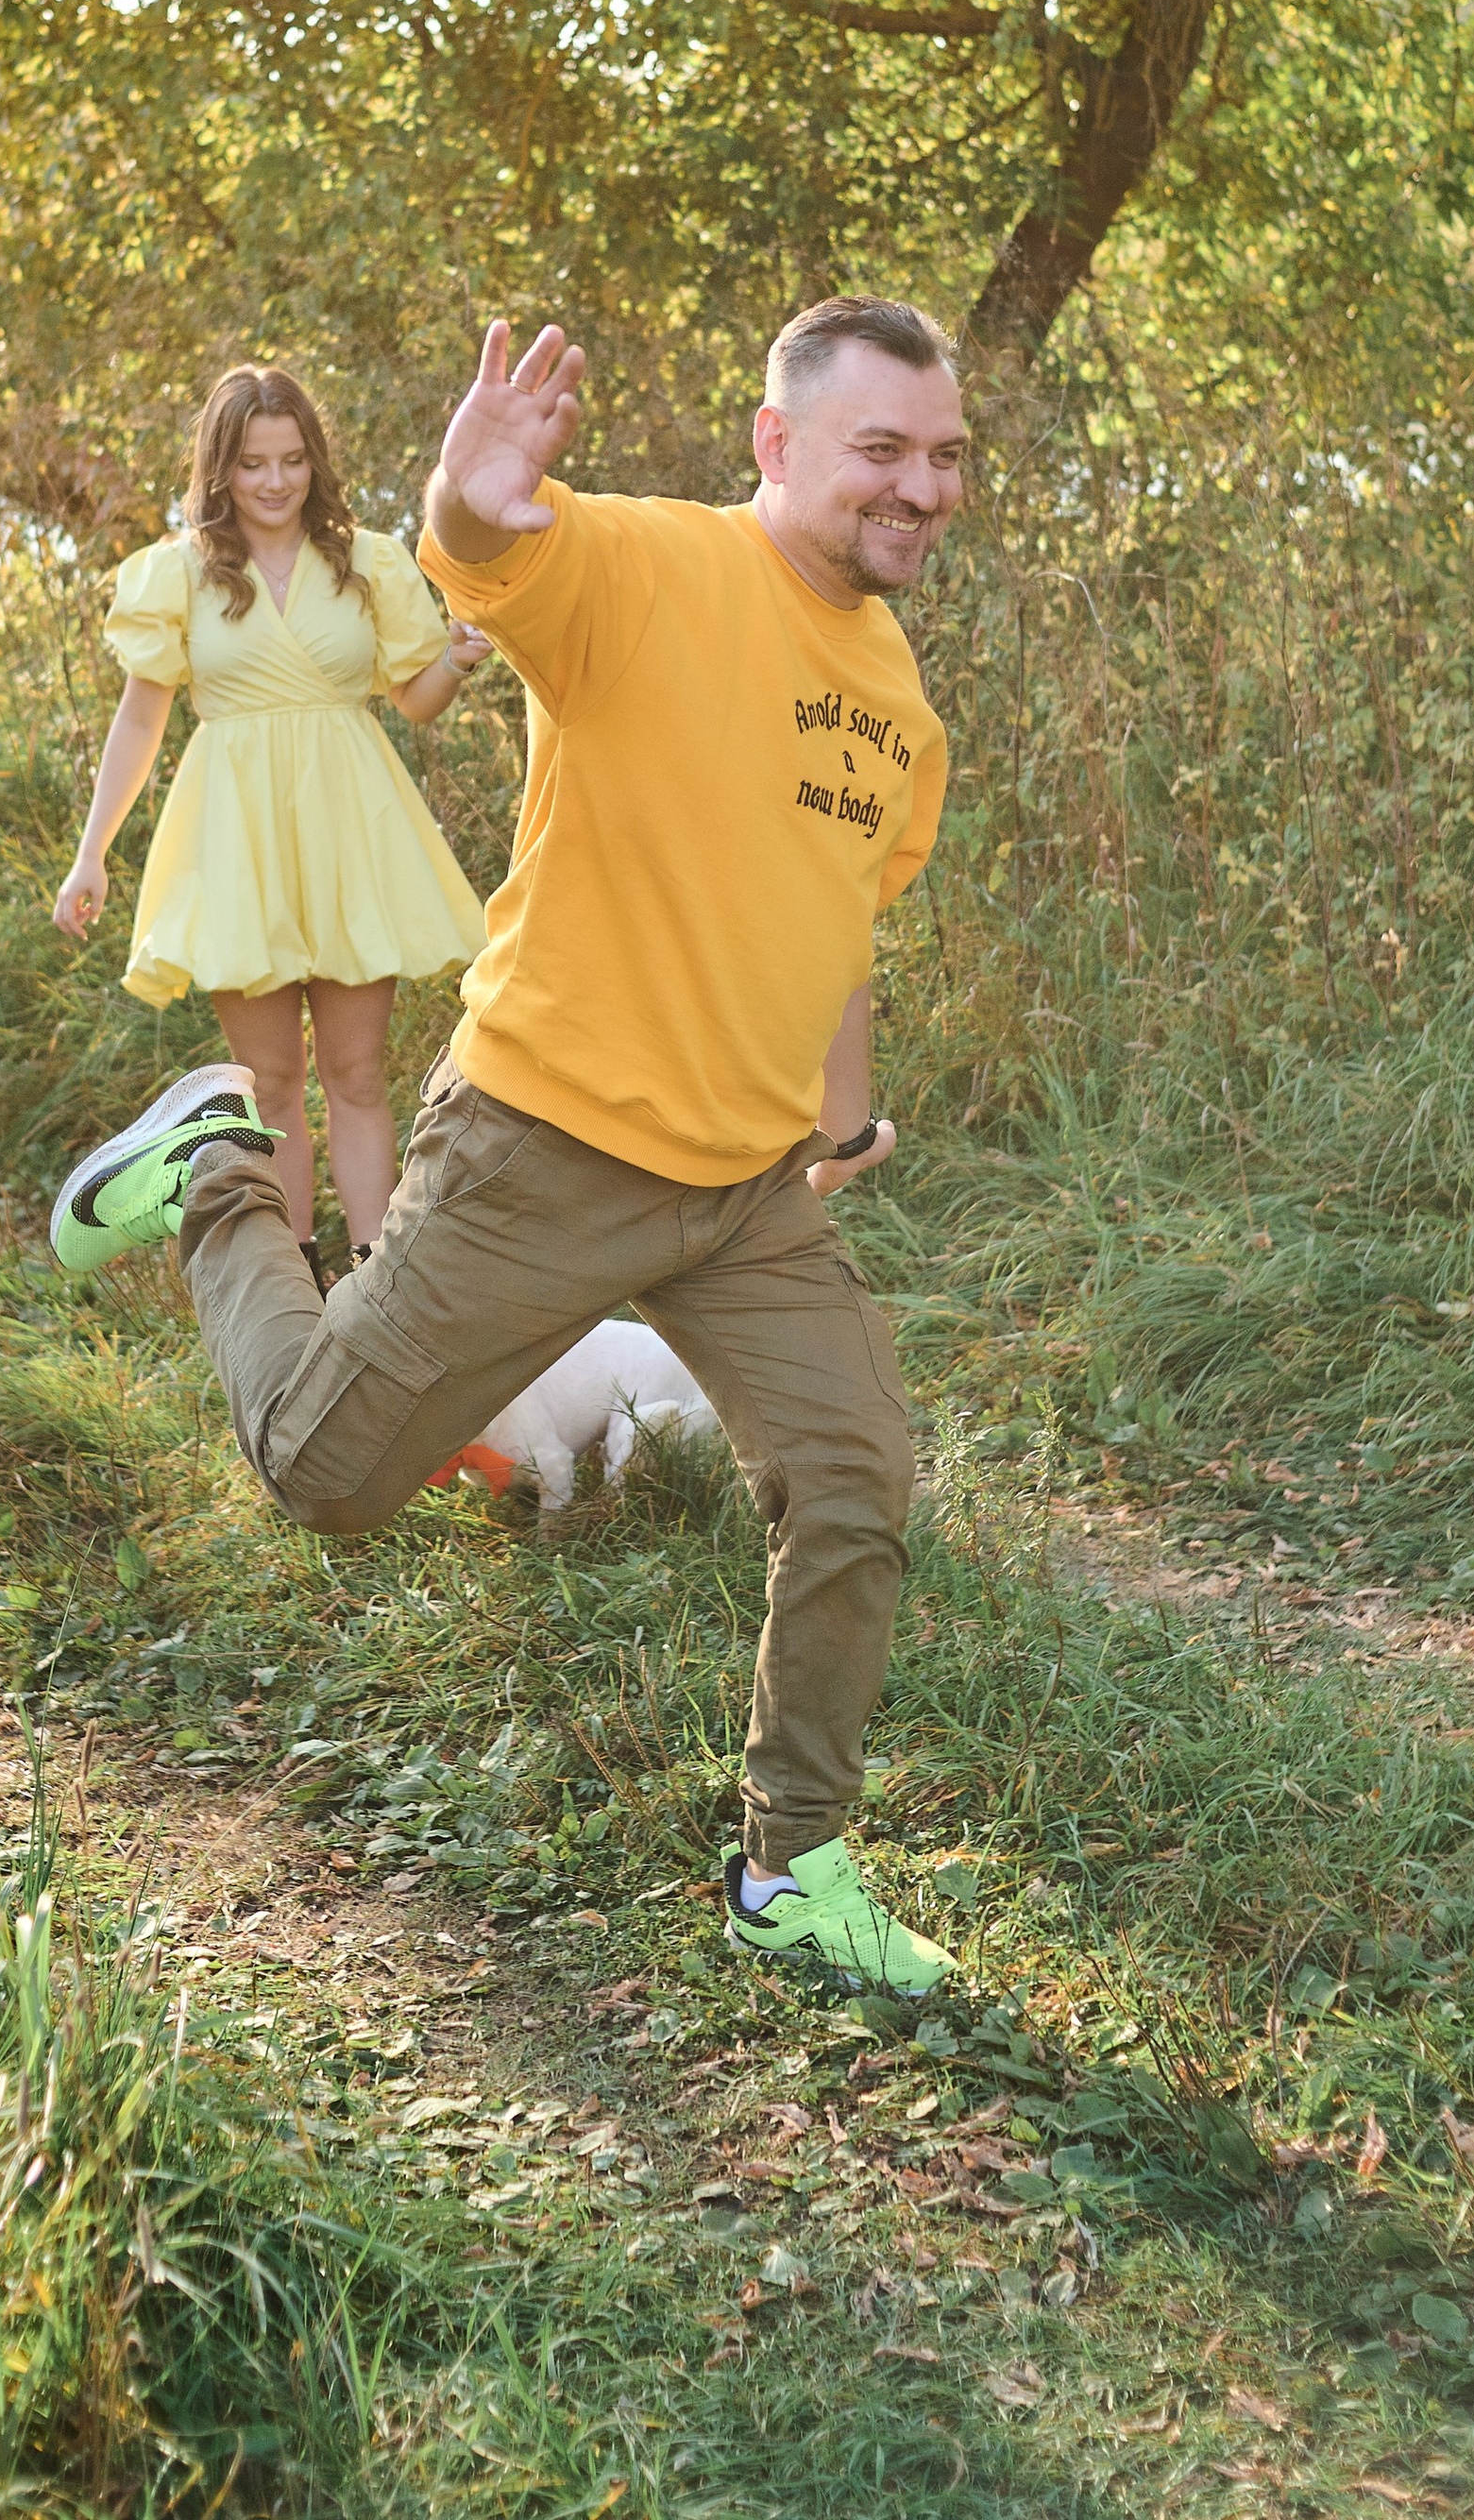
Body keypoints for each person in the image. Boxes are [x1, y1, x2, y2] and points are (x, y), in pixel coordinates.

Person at [52, 295, 966, 1997]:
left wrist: (840, 1127)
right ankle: (221, 1174)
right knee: (325, 1476)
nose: (920, 484)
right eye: (881, 448)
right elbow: (488, 552)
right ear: (778, 442)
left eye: (943, 453)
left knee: (856, 1479)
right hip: (544, 1146)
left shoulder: (901, 706)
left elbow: (836, 932)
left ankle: (795, 1868)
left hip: (748, 1191)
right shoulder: (647, 569)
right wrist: (468, 494)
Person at [51, 360, 491, 1278]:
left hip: (349, 829)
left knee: (358, 1074)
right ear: (222, 468)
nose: (276, 480)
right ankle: (294, 1278)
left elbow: (414, 697)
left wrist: (456, 658)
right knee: (274, 1083)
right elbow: (141, 718)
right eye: (254, 462)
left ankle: (370, 1278)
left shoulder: (365, 560)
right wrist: (92, 853)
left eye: (292, 458)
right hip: (235, 836)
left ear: (314, 459)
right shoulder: (178, 573)